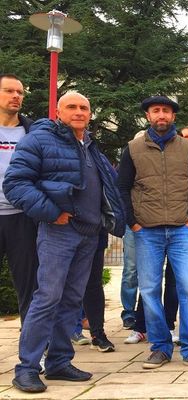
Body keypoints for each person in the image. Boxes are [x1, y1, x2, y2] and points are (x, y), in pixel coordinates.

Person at [4, 92, 125, 393]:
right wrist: (51, 211)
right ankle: (27, 368)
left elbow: (107, 185)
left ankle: (59, 361)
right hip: (58, 232)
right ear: (58, 112)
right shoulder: (39, 140)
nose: (79, 111)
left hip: (88, 233)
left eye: (84, 107)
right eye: (72, 107)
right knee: (47, 298)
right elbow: (15, 183)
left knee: (72, 300)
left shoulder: (91, 146)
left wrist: (108, 220)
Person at [117, 95, 188, 370]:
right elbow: (121, 188)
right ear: (148, 116)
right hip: (147, 231)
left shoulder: (187, 148)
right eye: (156, 111)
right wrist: (133, 222)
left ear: (173, 116)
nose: (161, 115)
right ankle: (159, 347)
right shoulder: (133, 149)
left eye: (166, 111)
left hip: (182, 230)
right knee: (149, 289)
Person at [0, 74, 38, 325]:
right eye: (9, 91)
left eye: (20, 92)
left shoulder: (32, 131)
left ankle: (33, 351)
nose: (16, 96)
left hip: (22, 217)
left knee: (29, 287)